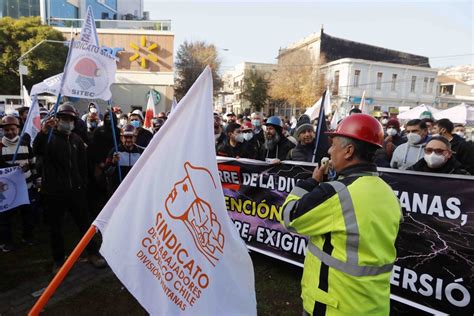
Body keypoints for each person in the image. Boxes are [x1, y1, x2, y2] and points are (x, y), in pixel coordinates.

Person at [278, 114, 402, 315]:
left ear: (349, 151)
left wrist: (311, 183)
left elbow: (289, 216)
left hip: (333, 306)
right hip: (374, 306)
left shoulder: (336, 192)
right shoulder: (389, 193)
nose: (328, 150)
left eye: (333, 144)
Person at [33, 102, 106, 273]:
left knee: (84, 224)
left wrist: (83, 184)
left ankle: (92, 253)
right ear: (57, 120)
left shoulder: (77, 140)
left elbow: (82, 165)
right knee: (56, 227)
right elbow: (37, 150)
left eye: (70, 119)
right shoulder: (49, 138)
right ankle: (58, 260)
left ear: (74, 121)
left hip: (76, 191)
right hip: (54, 192)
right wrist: (43, 133)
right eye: (64, 118)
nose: (67, 122)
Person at [0, 115, 36, 252]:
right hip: (6, 191)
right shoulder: (0, 146)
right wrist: (14, 168)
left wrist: (35, 176)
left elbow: (33, 162)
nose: (10, 132)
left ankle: (28, 237)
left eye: (13, 129)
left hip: (27, 187)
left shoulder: (25, 144)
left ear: (18, 129)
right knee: (5, 219)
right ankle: (6, 242)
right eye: (6, 129)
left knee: (29, 215)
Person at [104, 124, 144, 194]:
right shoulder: (115, 151)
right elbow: (107, 172)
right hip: (118, 190)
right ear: (121, 138)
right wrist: (113, 163)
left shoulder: (140, 152)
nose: (128, 140)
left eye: (131, 137)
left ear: (135, 138)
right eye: (126, 137)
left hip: (135, 190)